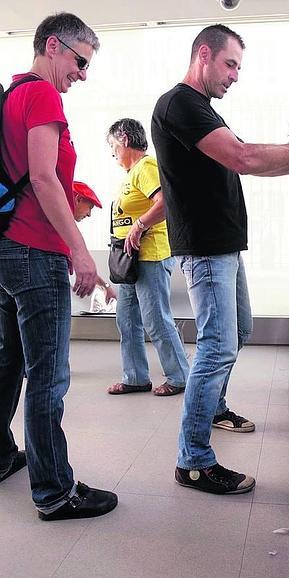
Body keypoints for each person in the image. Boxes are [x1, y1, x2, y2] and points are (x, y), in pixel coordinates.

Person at [151, 24, 289, 496]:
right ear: (203, 55)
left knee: (238, 331)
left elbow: (253, 161)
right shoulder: (179, 104)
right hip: (205, 250)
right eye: (230, 64)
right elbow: (243, 157)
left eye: (239, 68)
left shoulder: (202, 109)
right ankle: (194, 460)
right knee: (217, 345)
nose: (235, 76)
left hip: (222, 245)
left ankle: (215, 405)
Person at [0, 12, 117, 520]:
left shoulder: (11, 94)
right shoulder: (43, 95)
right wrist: (79, 250)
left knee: (8, 366)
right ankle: (54, 492)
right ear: (54, 46)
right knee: (48, 377)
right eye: (80, 61)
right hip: (35, 252)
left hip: (5, 251)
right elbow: (46, 181)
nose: (82, 74)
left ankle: (2, 456)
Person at [106, 118, 189, 397]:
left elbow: (165, 201)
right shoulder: (130, 174)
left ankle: (180, 376)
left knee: (155, 319)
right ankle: (136, 377)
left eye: (113, 145)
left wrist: (139, 226)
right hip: (131, 259)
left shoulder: (146, 167)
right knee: (126, 319)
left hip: (150, 255)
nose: (113, 152)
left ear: (125, 139)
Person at [73, 180, 117, 303]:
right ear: (78, 199)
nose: (89, 215)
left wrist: (105, 286)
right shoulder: (60, 226)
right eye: (90, 207)